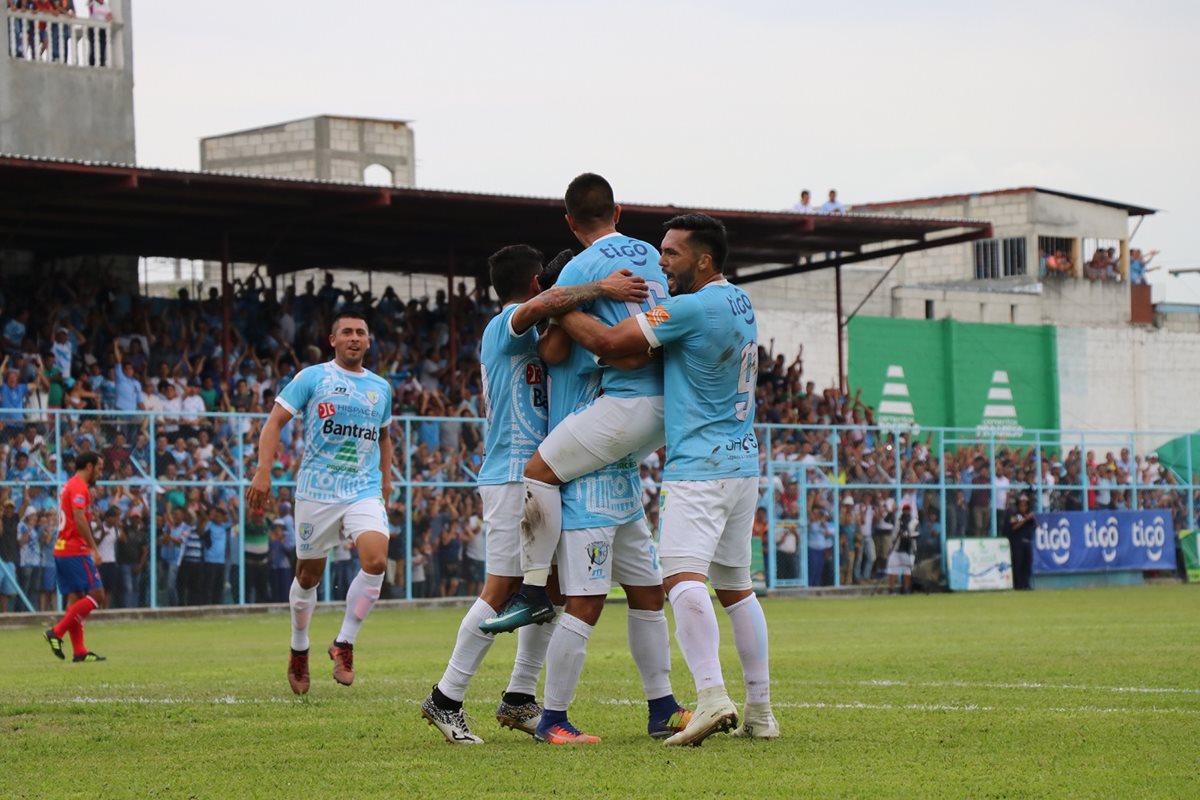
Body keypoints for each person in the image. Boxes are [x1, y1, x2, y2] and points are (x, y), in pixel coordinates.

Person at [556, 213, 778, 745]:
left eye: (672, 253)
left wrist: (559, 305)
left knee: (680, 581)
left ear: (703, 260)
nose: (661, 262)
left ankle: (710, 697)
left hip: (699, 469)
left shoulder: (689, 307)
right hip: (743, 462)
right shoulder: (740, 301)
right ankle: (762, 713)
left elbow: (611, 342)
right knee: (738, 590)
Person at [420, 243, 648, 744]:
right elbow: (540, 309)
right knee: (500, 589)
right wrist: (603, 288)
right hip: (508, 476)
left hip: (542, 477)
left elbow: (554, 336)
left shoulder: (542, 333)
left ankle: (520, 697)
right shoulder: (503, 325)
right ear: (535, 285)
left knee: (552, 593)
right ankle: (445, 697)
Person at [481, 173, 668, 634]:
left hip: (594, 445)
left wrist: (566, 311)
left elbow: (554, 351)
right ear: (618, 211)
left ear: (569, 222)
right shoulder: (653, 257)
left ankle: (528, 602)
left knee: (576, 600)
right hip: (652, 416)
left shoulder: (577, 276)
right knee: (643, 593)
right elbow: (631, 342)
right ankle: (527, 695)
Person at [527, 249, 689, 744]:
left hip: (621, 484)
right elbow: (593, 349)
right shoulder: (565, 337)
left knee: (647, 594)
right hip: (585, 491)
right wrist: (578, 302)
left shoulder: (589, 325)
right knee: (587, 604)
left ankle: (661, 706)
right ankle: (552, 718)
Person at [248, 313, 394, 695]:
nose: (354, 338)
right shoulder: (313, 377)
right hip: (317, 490)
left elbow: (384, 437)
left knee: (377, 559)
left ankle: (344, 642)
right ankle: (299, 649)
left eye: (361, 333)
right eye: (347, 332)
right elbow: (275, 422)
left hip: (362, 488)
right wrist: (263, 471)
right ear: (333, 340)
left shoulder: (381, 388)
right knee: (309, 575)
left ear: (369, 341)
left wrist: (387, 479)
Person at [43, 452, 108, 662]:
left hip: (62, 549)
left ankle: (79, 651)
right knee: (97, 595)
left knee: (76, 599)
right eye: (99, 468)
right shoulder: (79, 487)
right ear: (89, 466)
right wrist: (93, 549)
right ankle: (57, 631)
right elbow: (79, 518)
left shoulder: (70, 485)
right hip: (75, 550)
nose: (100, 472)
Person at [886, 503, 919, 594]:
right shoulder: (898, 520)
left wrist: (908, 535)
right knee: (892, 568)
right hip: (897, 547)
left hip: (909, 549)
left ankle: (906, 589)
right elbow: (887, 520)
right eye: (905, 510)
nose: (906, 512)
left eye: (908, 510)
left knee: (907, 570)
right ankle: (891, 589)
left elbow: (917, 534)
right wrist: (892, 512)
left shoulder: (914, 521)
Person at [1007, 494, 1036, 590]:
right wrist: (1025, 520)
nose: (1023, 507)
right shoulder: (1014, 515)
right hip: (1018, 542)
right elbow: (1013, 527)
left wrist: (1031, 519)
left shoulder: (1028, 515)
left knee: (1027, 564)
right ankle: (1018, 585)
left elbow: (1035, 526)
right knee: (1018, 564)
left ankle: (1026, 584)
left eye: (1025, 505)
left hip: (1028, 542)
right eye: (1021, 505)